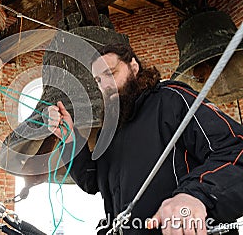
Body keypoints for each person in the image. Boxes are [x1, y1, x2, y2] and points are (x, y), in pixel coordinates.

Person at [47, 42, 243, 234]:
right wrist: (70, 140)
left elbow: (236, 151)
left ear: (133, 67)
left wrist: (194, 196)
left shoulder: (172, 99)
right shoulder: (109, 130)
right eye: (98, 80)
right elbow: (92, 182)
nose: (105, 85)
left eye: (110, 73)